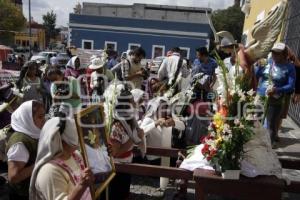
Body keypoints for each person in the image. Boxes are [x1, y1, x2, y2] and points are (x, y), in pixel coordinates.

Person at [30, 117, 93, 200]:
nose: (79, 141)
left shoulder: (75, 155)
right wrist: (81, 185)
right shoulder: (49, 171)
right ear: (60, 141)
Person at [139, 97, 185, 189]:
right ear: (156, 109)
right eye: (162, 108)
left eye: (166, 107)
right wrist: (155, 123)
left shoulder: (169, 117)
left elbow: (183, 126)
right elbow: (141, 132)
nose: (165, 110)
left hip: (167, 156)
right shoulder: (149, 119)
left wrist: (174, 123)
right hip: (155, 159)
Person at [6, 100, 45, 199]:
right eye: (40, 117)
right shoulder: (20, 143)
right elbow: (13, 177)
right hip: (23, 194)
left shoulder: (32, 132)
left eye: (43, 116)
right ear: (28, 118)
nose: (44, 120)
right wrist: (40, 163)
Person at [257, 43, 296, 144]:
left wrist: (277, 90)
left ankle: (268, 147)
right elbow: (257, 75)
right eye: (273, 52)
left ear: (284, 54)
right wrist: (259, 67)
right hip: (261, 96)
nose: (274, 55)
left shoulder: (290, 67)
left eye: (277, 53)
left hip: (275, 100)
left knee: (271, 125)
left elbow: (290, 86)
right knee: (256, 122)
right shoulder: (267, 62)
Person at [109, 89, 144, 200]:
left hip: (127, 164)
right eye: (131, 102)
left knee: (124, 192)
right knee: (118, 194)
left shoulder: (130, 120)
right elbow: (115, 153)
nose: (134, 104)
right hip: (118, 168)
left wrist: (138, 136)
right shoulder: (117, 126)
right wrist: (134, 139)